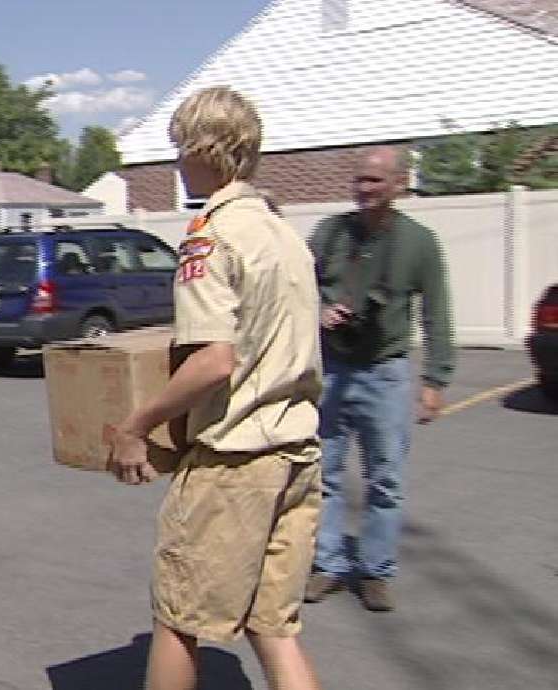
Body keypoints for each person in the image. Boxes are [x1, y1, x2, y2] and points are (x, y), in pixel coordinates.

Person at [108, 87, 324, 690]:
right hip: (296, 453)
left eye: (180, 148)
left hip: (235, 461)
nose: (177, 161)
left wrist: (136, 425)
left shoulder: (212, 236)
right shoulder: (285, 235)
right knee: (274, 628)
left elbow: (214, 361)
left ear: (203, 151)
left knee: (179, 619)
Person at [304, 146, 455, 612]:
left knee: (385, 479)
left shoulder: (419, 242)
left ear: (399, 184)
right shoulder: (330, 233)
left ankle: (375, 570)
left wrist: (436, 379)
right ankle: (328, 563)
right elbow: (296, 286)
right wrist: (320, 309)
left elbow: (436, 313)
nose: (364, 188)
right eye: (359, 179)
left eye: (375, 180)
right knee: (323, 472)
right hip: (333, 369)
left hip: (385, 372)